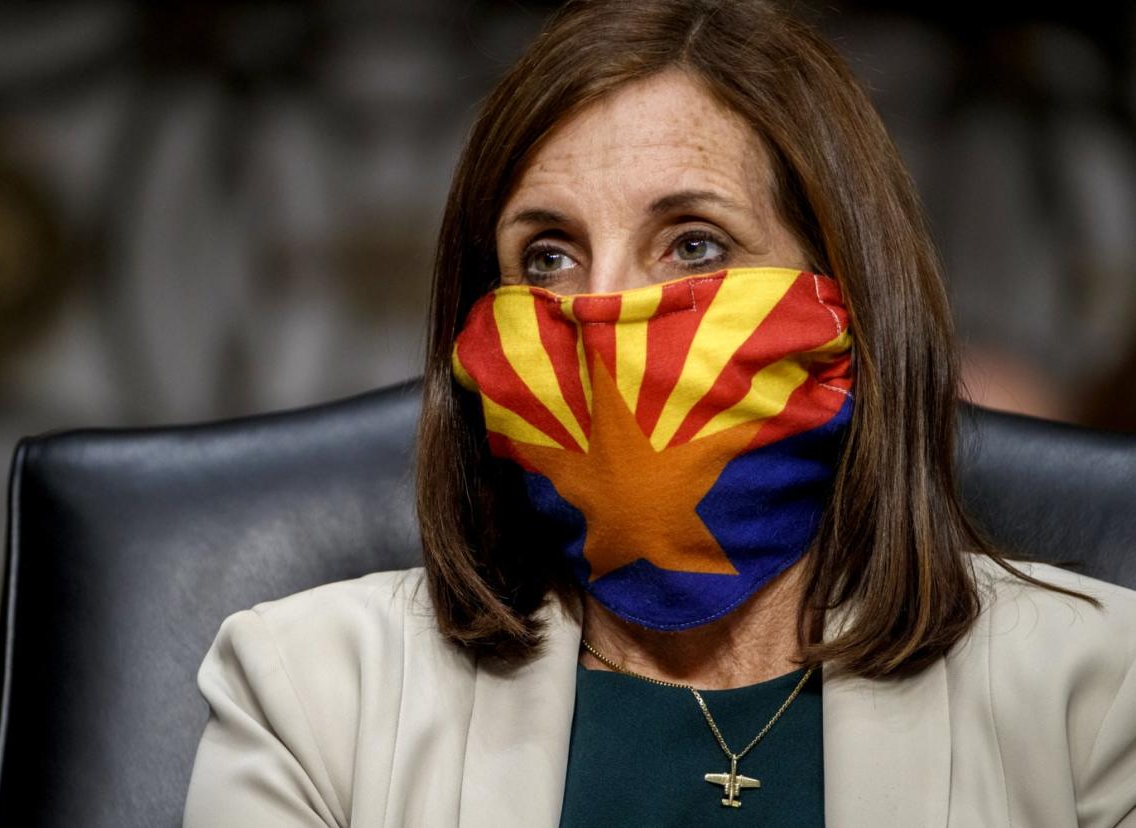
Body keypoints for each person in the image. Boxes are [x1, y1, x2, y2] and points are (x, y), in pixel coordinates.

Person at [181, 0, 1136, 825]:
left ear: (847, 294)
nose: (603, 315)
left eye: (693, 245)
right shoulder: (307, 694)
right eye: (547, 256)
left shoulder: (1100, 695)